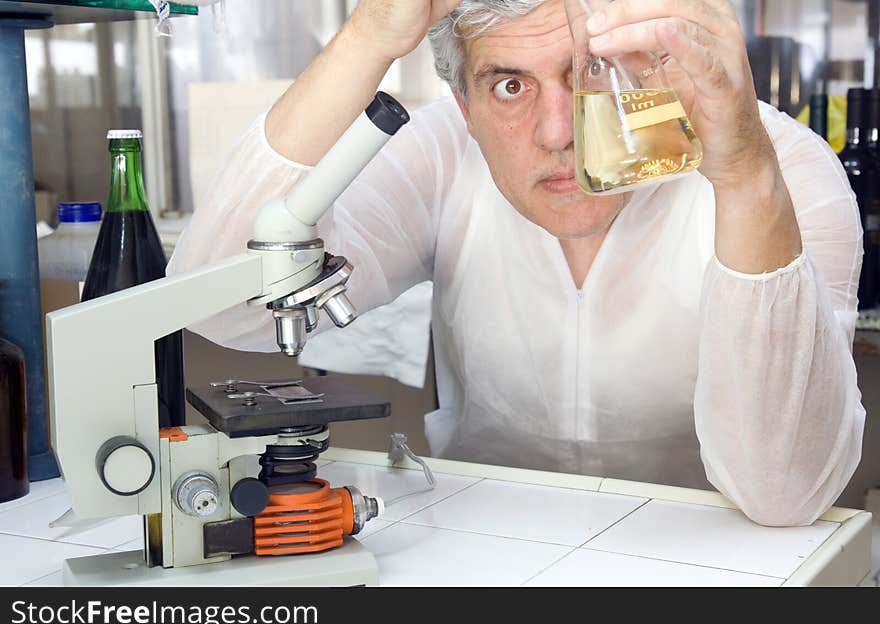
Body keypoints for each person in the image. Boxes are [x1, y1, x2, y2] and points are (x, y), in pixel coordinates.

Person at [168, 0, 865, 526]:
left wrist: (745, 177)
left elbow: (785, 490)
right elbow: (226, 308)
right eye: (509, 86)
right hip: (484, 546)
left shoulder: (778, 165)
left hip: (718, 561)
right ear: (464, 106)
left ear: (652, 72)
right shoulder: (443, 151)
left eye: (589, 75)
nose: (559, 131)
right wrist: (370, 34)